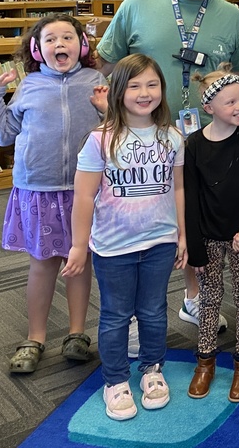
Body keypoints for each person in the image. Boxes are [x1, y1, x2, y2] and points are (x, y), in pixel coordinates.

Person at [96, 0, 239, 331]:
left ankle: (196, 297)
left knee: (197, 217)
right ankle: (147, 307)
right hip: (146, 135)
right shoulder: (137, 4)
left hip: (209, 137)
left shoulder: (232, 16)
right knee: (143, 216)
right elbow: (108, 62)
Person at [63, 54, 187, 422]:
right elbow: (84, 196)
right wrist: (78, 245)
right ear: (118, 92)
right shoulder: (99, 140)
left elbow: (179, 189)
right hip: (113, 246)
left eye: (152, 84)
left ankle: (152, 370)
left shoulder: (172, 137)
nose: (144, 93)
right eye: (134, 85)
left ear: (162, 91)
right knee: (116, 315)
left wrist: (182, 234)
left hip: (160, 243)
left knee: (153, 311)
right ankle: (115, 380)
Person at [0, 14, 107, 374]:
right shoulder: (30, 85)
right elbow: (5, 134)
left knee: (80, 262)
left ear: (81, 46)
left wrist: (106, 109)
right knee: (42, 263)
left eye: (67, 38)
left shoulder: (95, 81)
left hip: (85, 188)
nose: (59, 45)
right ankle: (35, 336)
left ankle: (77, 333)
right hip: (38, 188)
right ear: (37, 50)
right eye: (50, 40)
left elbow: (113, 130)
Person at [184, 65, 239, 403]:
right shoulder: (194, 144)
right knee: (210, 298)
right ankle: (205, 361)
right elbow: (190, 198)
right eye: (229, 102)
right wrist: (195, 248)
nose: (238, 107)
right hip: (207, 236)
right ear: (208, 109)